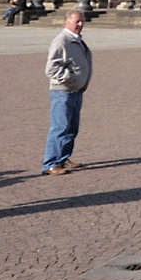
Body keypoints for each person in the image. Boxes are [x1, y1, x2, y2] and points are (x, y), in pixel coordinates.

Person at [43, 10, 93, 176]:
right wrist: (71, 79)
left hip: (76, 90)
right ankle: (50, 163)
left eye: (82, 21)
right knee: (60, 128)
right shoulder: (61, 41)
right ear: (66, 23)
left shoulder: (77, 40)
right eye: (76, 21)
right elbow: (51, 69)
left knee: (72, 128)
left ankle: (63, 158)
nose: (80, 24)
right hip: (63, 91)